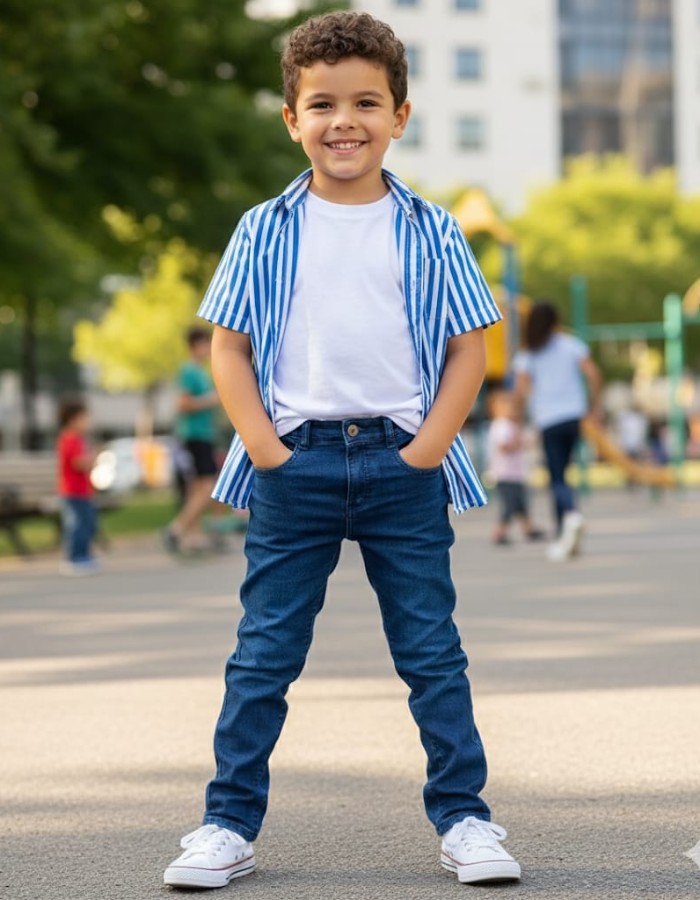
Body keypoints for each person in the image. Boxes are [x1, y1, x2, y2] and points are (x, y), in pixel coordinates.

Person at [163, 11, 520, 889]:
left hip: (404, 464)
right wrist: (266, 450)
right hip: (297, 465)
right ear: (292, 118)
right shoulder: (264, 226)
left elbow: (471, 344)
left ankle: (467, 819)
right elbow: (229, 345)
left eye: (367, 102)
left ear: (401, 115)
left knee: (432, 652)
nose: (344, 120)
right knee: (264, 655)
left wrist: (428, 448)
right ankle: (226, 824)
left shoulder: (433, 229)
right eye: (321, 104)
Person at [513, 301, 602, 562]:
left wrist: (518, 420)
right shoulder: (570, 344)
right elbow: (594, 374)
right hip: (574, 416)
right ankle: (564, 534)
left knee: (556, 476)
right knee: (563, 472)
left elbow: (520, 392)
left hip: (548, 420)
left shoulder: (528, 353)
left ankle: (571, 516)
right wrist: (594, 407)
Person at [162, 326, 221, 554]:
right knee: (206, 486)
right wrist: (212, 399)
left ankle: (193, 535)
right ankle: (176, 529)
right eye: (206, 343)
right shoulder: (188, 370)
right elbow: (183, 403)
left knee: (197, 488)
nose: (208, 349)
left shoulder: (201, 372)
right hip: (194, 435)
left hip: (204, 435)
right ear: (196, 345)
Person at [487, 390, 545, 545]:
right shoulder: (500, 426)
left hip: (516, 474)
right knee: (510, 505)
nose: (511, 411)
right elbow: (504, 446)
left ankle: (529, 528)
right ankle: (499, 533)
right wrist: (519, 443)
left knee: (521, 503)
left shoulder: (512, 425)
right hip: (505, 474)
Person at [56, 398, 99, 575]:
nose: (88, 422)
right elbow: (79, 463)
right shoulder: (70, 439)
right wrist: (93, 459)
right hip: (73, 491)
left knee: (88, 523)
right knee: (77, 525)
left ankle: (84, 555)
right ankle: (74, 558)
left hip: (82, 491)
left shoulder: (78, 439)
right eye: (84, 418)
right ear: (73, 419)